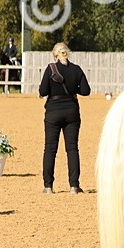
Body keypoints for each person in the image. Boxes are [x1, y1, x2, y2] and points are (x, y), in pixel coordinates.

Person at [39, 42, 91, 194]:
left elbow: (43, 91)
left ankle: (48, 186)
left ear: (55, 55)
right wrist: (73, 88)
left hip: (53, 112)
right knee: (72, 149)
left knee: (50, 149)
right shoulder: (76, 69)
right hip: (72, 112)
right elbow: (86, 91)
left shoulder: (50, 69)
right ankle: (74, 186)